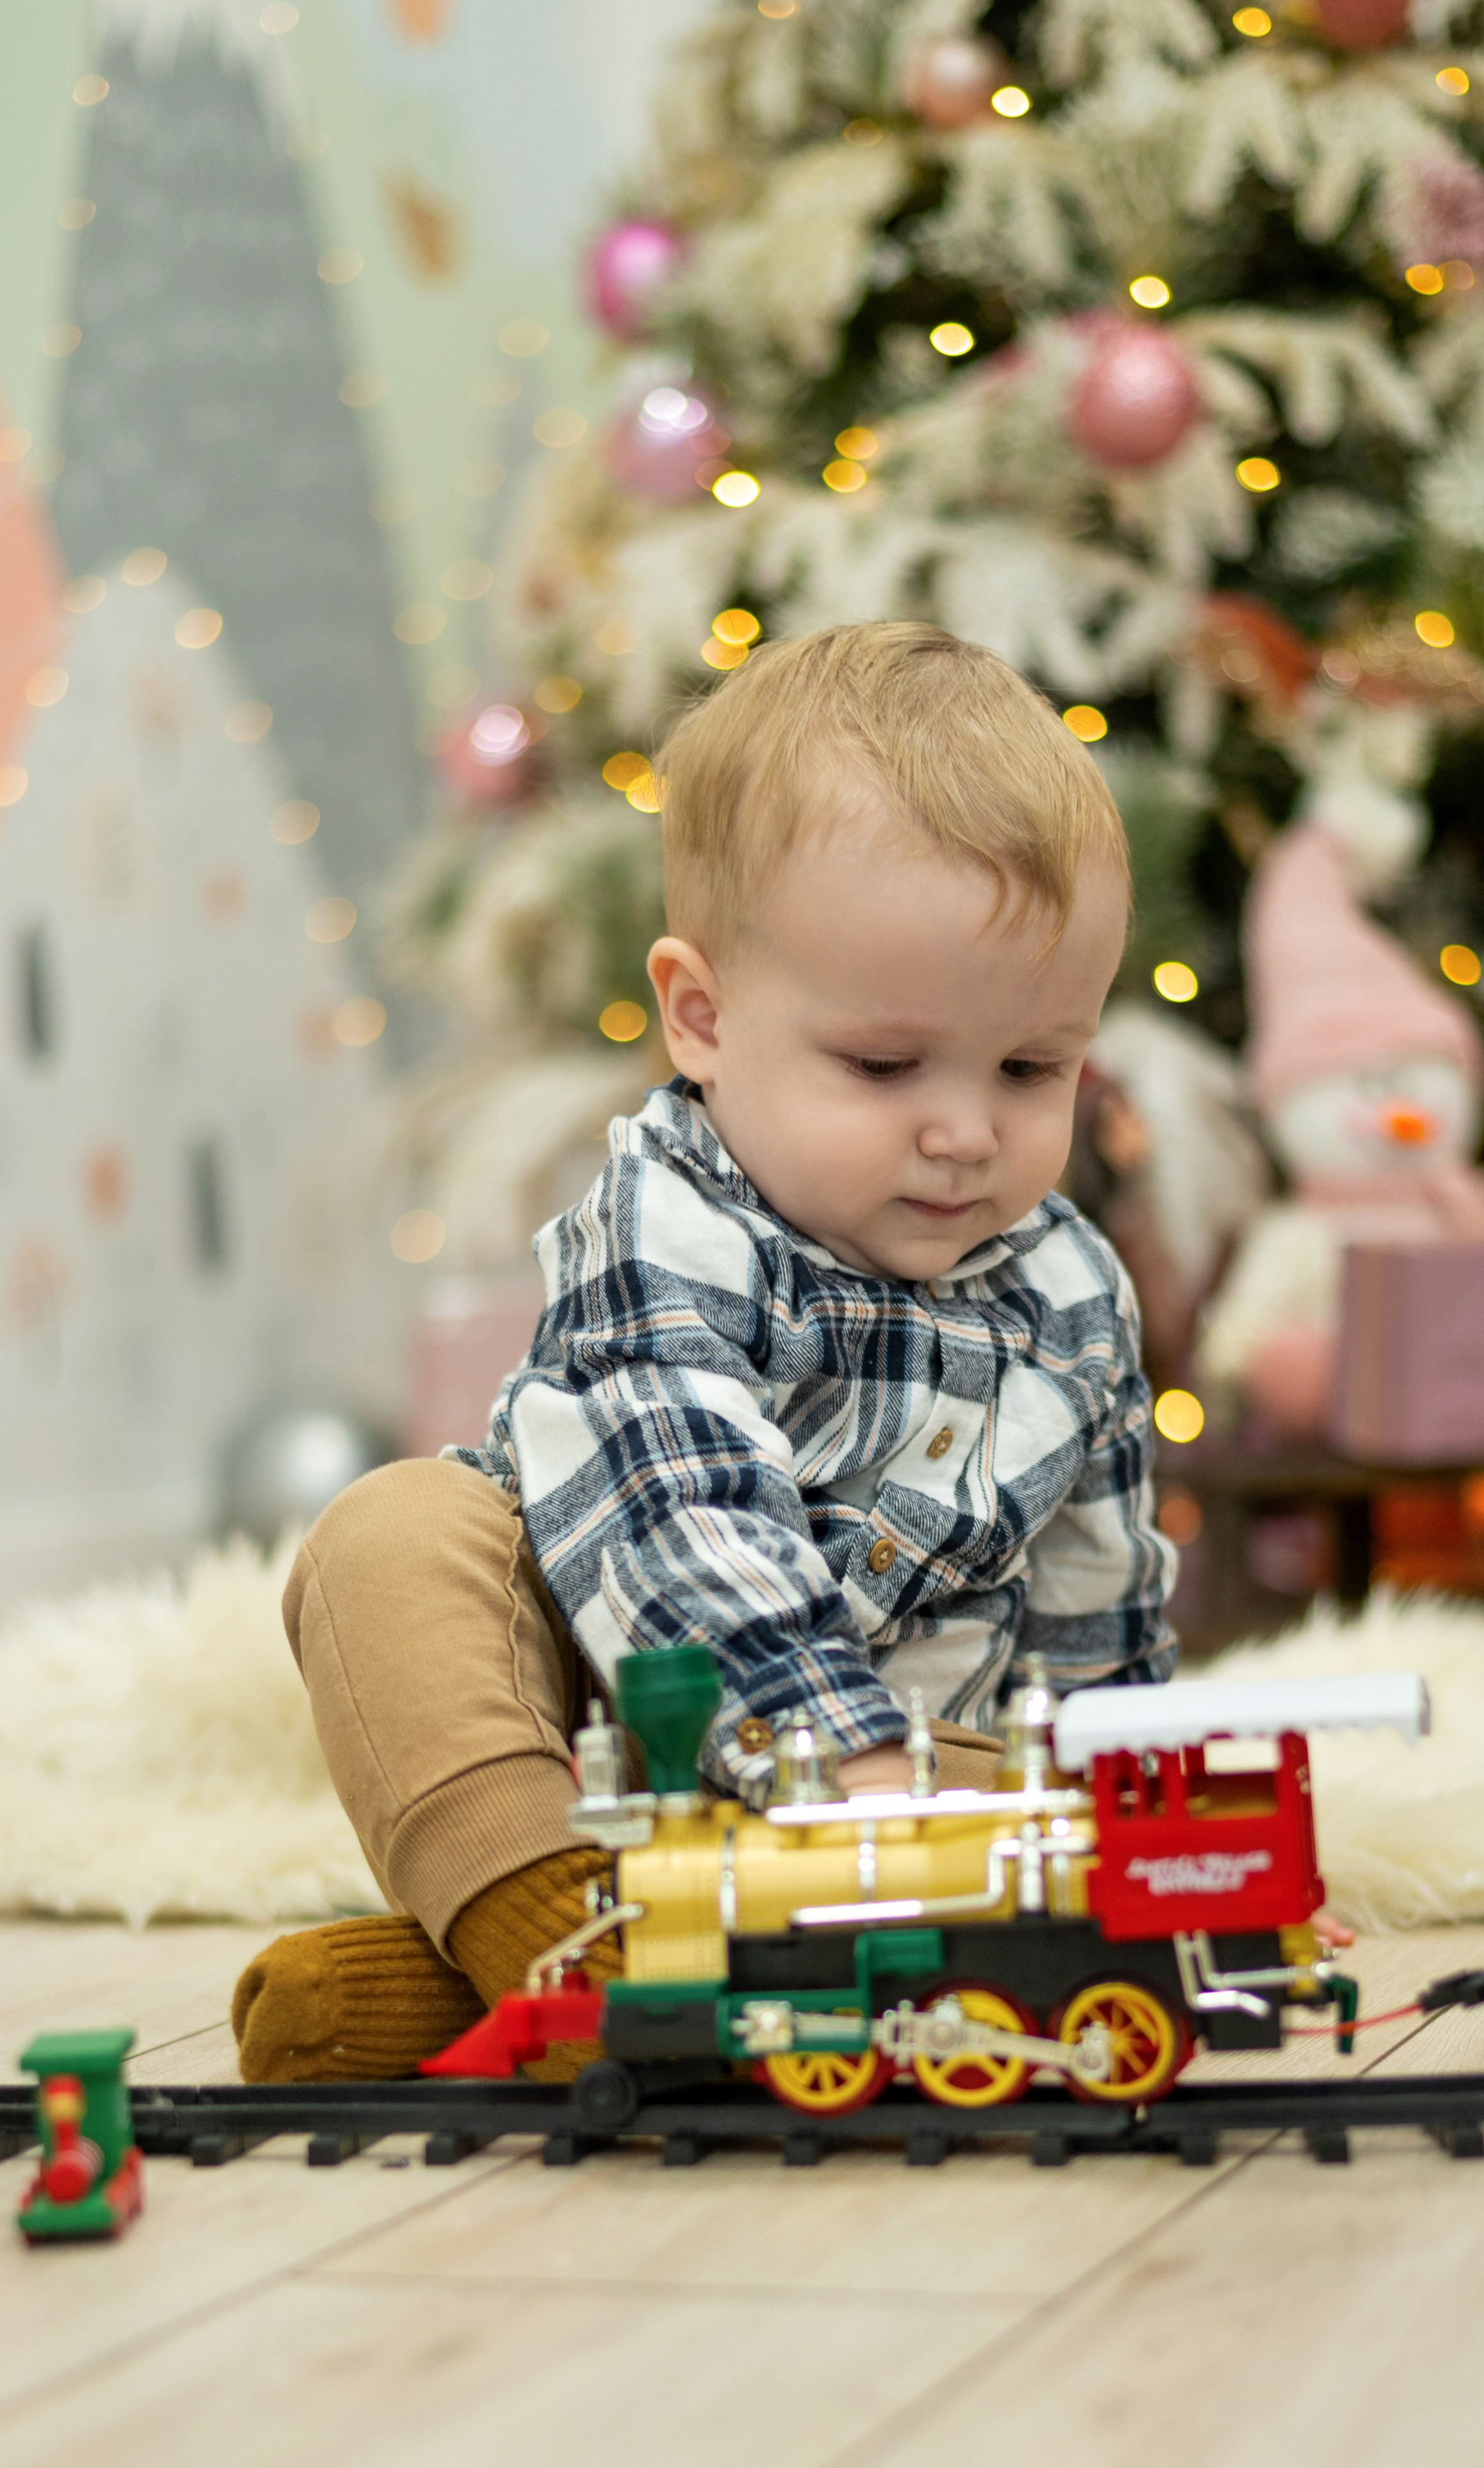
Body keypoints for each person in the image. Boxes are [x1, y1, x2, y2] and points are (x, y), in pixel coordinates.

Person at [232, 621, 1179, 2083]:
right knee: (392, 1537)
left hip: (915, 1787)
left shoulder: (1069, 1290)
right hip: (626, 1744)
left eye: (1027, 1067)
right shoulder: (665, 1220)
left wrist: (1131, 1836)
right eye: (882, 1064)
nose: (964, 1130)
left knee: (1066, 1794)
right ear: (703, 1016)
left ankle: (522, 1981)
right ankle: (563, 1932)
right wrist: (834, 1767)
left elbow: (1094, 1616)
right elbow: (685, 1519)